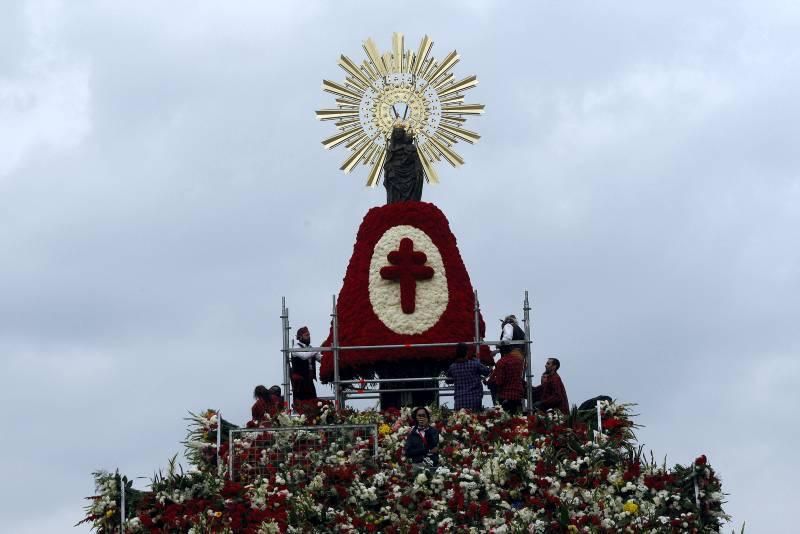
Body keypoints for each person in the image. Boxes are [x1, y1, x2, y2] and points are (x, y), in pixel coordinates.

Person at [383, 123, 424, 204]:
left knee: (411, 197)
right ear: (393, 134)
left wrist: (418, 171)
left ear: (403, 133)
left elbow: (416, 160)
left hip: (410, 173)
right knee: (394, 194)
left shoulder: (411, 147)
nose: (398, 134)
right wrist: (389, 168)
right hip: (395, 174)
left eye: (400, 132)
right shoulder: (391, 148)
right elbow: (387, 163)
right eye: (396, 132)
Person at [446, 343, 490, 411]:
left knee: (460, 420)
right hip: (475, 401)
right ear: (467, 352)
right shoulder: (474, 364)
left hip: (459, 401)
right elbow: (487, 372)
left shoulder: (452, 367)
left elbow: (448, 381)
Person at [290, 326, 322, 407]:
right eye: (306, 335)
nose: (309, 337)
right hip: (300, 382)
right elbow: (304, 356)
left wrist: (330, 355)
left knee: (313, 403)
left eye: (309, 335)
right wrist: (316, 350)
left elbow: (321, 359)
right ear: (300, 337)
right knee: (301, 404)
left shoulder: (310, 348)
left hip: (309, 380)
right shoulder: (296, 347)